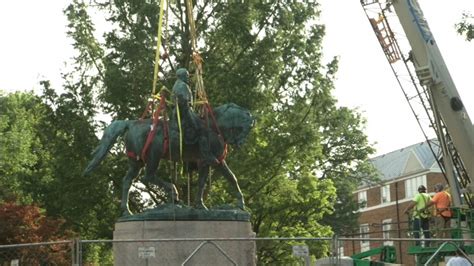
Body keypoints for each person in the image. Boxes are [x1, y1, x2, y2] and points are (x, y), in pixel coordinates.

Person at [171, 68, 218, 165]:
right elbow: (184, 103)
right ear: (181, 76)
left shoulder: (178, 85)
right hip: (184, 113)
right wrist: (192, 119)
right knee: (203, 128)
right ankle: (206, 155)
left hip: (182, 111)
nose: (188, 78)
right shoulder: (182, 86)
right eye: (186, 76)